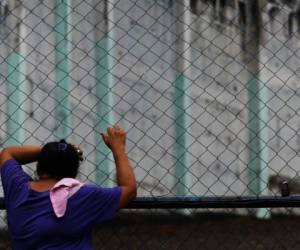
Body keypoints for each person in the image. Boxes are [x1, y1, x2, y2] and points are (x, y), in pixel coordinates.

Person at [0, 125, 136, 250]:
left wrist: (52, 151)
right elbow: (129, 189)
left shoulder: (17, 188)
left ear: (39, 165)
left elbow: (8, 153)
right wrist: (118, 148)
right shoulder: (81, 196)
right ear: (73, 172)